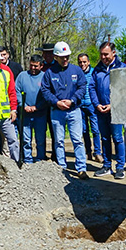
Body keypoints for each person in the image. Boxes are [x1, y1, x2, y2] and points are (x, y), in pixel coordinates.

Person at [41, 42, 88, 179]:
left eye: (67, 56)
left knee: (77, 140)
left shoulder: (76, 70)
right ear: (56, 57)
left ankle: (81, 168)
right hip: (57, 112)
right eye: (62, 57)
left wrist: (72, 100)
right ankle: (62, 168)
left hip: (74, 110)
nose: (65, 59)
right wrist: (56, 102)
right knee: (59, 141)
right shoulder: (49, 73)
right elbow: (45, 90)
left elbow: (82, 87)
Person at [89, 41, 126, 179]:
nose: (103, 57)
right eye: (101, 54)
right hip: (100, 110)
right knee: (104, 138)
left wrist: (113, 104)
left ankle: (120, 167)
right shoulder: (97, 69)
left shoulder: (122, 68)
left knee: (117, 138)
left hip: (116, 110)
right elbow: (92, 87)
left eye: (106, 54)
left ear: (113, 53)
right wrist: (96, 104)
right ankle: (106, 165)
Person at [15, 54, 47, 163]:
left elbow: (47, 94)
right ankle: (27, 159)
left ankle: (40, 159)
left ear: (41, 66)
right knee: (26, 139)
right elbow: (16, 91)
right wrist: (23, 105)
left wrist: (37, 107)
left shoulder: (45, 77)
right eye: (31, 66)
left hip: (40, 114)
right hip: (25, 114)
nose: (33, 68)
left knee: (40, 139)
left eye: (36, 66)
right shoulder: (22, 76)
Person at [77, 53, 102, 162]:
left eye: (84, 62)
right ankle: (88, 152)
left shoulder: (94, 72)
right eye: (80, 62)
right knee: (84, 130)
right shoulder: (77, 73)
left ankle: (98, 152)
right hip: (80, 105)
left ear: (88, 62)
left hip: (92, 104)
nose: (82, 64)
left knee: (95, 130)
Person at [36, 43, 57, 161]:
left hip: (54, 104)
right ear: (43, 54)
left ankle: (55, 155)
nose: (48, 55)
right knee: (41, 131)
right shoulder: (40, 67)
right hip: (42, 105)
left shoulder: (58, 66)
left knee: (55, 131)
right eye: (46, 53)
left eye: (50, 53)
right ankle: (41, 155)